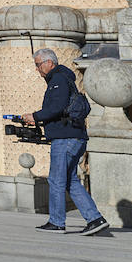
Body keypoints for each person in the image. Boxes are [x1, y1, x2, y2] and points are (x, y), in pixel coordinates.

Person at [21, 49, 109, 235]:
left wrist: (35, 116)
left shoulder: (58, 80)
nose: (37, 69)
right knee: (70, 180)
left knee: (56, 180)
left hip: (65, 138)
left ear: (49, 63)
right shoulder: (64, 79)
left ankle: (57, 222)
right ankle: (95, 219)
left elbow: (57, 107)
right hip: (74, 137)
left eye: (38, 64)